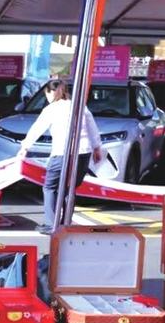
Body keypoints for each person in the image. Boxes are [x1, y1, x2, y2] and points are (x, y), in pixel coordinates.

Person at [16, 80, 102, 234]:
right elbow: (92, 127)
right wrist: (97, 147)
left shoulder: (51, 109)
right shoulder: (79, 106)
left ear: (50, 92)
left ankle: (51, 224)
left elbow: (37, 128)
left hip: (62, 153)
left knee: (51, 187)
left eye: (46, 95)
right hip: (83, 152)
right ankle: (66, 222)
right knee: (70, 188)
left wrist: (25, 147)